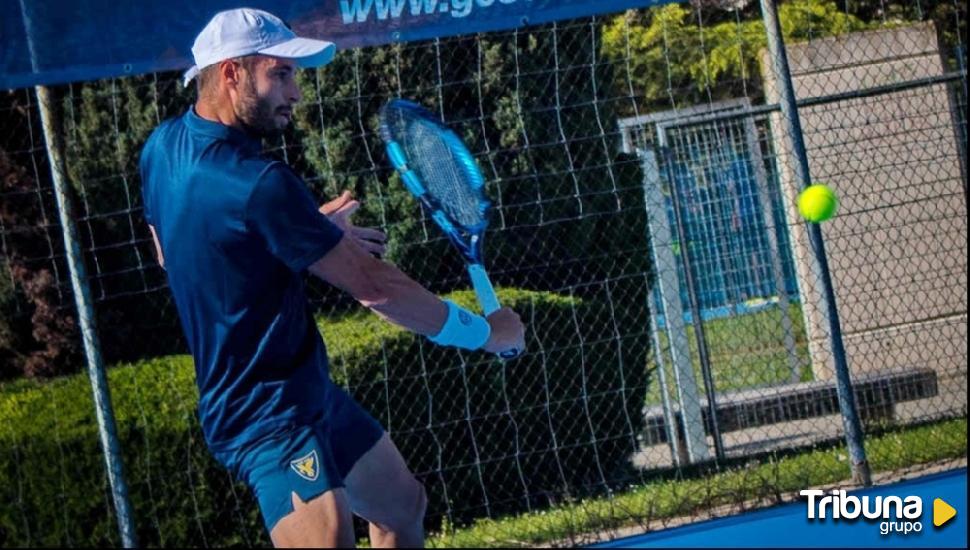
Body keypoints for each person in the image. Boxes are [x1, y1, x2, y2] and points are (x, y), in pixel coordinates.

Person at [139, 8, 526, 548]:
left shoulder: (162, 148)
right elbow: (376, 288)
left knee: (401, 506)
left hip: (305, 388)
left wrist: (300, 233)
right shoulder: (260, 183)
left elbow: (174, 250)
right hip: (264, 411)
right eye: (281, 74)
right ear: (230, 75)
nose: (295, 92)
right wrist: (487, 334)